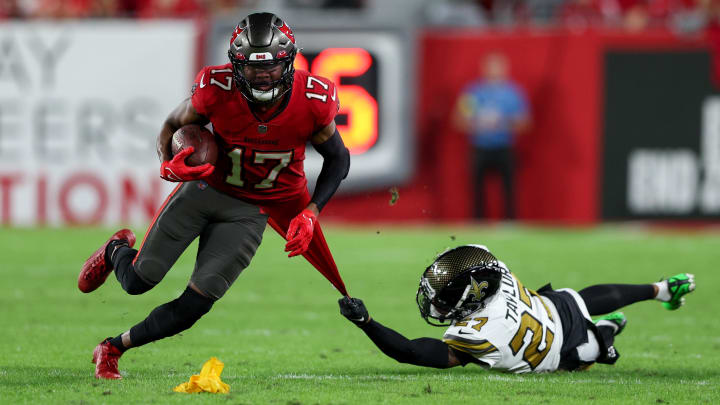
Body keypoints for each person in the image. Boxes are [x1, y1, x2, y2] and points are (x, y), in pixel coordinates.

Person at [78, 12, 351, 380]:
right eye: (253, 68)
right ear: (235, 65)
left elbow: (338, 157)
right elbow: (172, 125)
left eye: (271, 65)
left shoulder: (314, 98)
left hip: (252, 210)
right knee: (138, 281)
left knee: (195, 305)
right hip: (204, 191)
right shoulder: (215, 87)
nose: (264, 74)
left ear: (288, 61)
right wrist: (168, 165)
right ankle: (116, 250)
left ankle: (111, 348)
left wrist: (312, 211)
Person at [338, 245, 696, 372]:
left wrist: (367, 322)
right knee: (579, 298)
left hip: (565, 347)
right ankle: (661, 288)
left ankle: (606, 332)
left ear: (471, 300)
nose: (437, 301)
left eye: (445, 296)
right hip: (548, 307)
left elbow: (411, 352)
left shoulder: (477, 334)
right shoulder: (494, 268)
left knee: (592, 353)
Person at [453, 53, 530, 220]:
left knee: (509, 188)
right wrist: (479, 123)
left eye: (498, 67)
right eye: (491, 67)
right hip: (480, 147)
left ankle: (510, 222)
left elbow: (525, 123)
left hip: (504, 147)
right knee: (477, 190)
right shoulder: (474, 93)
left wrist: (502, 122)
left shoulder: (513, 93)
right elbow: (459, 120)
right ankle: (478, 222)